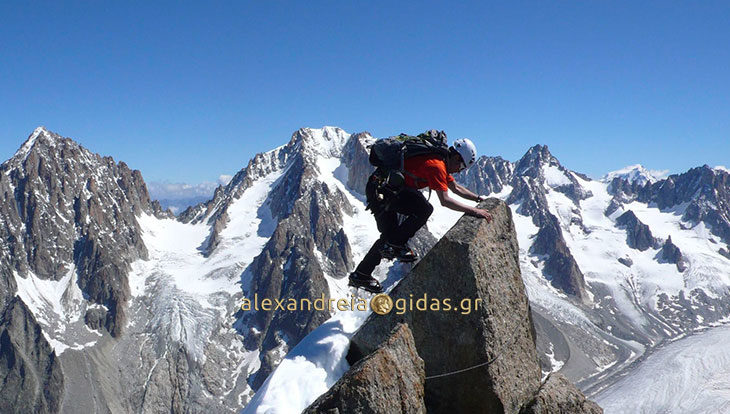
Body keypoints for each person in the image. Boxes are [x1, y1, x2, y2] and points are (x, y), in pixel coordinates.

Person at [349, 137, 493, 293]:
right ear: (457, 157)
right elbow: (445, 200)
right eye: (461, 167)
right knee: (422, 211)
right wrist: (474, 211)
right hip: (381, 191)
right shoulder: (437, 166)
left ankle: (363, 273)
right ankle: (391, 248)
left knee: (391, 235)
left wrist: (478, 199)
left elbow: (456, 188)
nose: (459, 171)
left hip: (387, 188)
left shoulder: (441, 161)